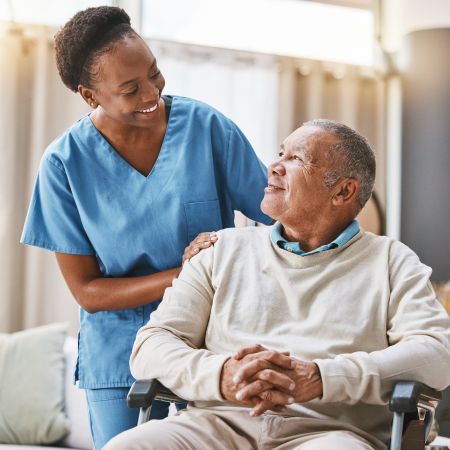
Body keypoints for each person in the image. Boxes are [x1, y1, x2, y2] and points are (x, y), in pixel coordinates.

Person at [104, 120, 450, 450]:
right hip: (217, 423)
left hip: (330, 433)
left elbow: (437, 353)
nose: (274, 166)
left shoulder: (392, 261)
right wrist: (222, 373)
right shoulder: (220, 249)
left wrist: (321, 377)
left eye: (296, 158)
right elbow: (150, 345)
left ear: (344, 191)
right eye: (280, 153)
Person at [20, 6, 273, 449]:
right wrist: (188, 274)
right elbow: (88, 292)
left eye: (155, 74)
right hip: (120, 351)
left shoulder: (206, 128)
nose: (151, 92)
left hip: (213, 342)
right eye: (131, 88)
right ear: (89, 95)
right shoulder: (64, 165)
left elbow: (281, 218)